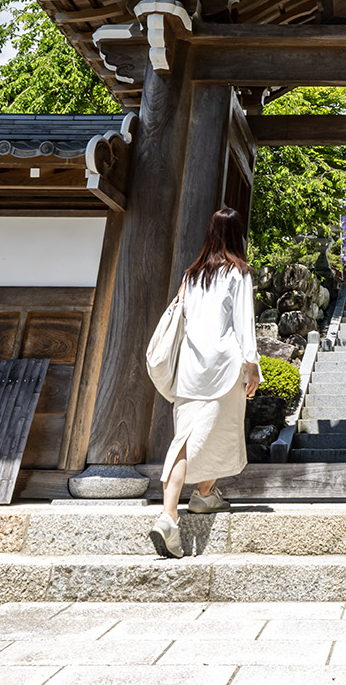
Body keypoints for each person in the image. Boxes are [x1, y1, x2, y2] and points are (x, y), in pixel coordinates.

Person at [149, 206, 261, 559]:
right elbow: (243, 323)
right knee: (221, 431)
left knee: (184, 439)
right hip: (224, 367)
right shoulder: (237, 272)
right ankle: (199, 496)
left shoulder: (191, 276)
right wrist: (252, 366)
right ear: (238, 235)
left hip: (190, 369)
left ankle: (175, 511)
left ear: (211, 233)